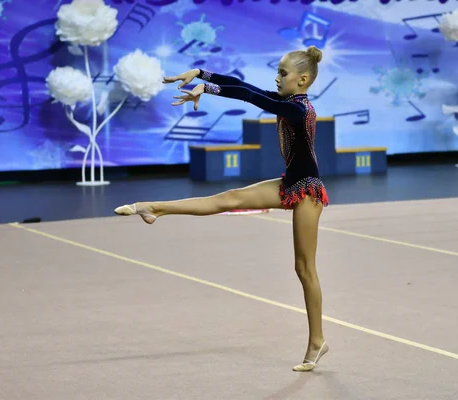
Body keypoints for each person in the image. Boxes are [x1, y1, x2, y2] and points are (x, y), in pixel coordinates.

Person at [114, 46, 330, 372]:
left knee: (304, 269)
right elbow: (246, 87)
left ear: (302, 80)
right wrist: (201, 75)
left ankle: (317, 342)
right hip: (290, 183)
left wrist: (209, 89)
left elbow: (248, 96)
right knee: (228, 199)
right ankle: (153, 208)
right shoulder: (288, 103)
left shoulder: (299, 111)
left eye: (282, 73)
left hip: (308, 192)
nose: (276, 77)